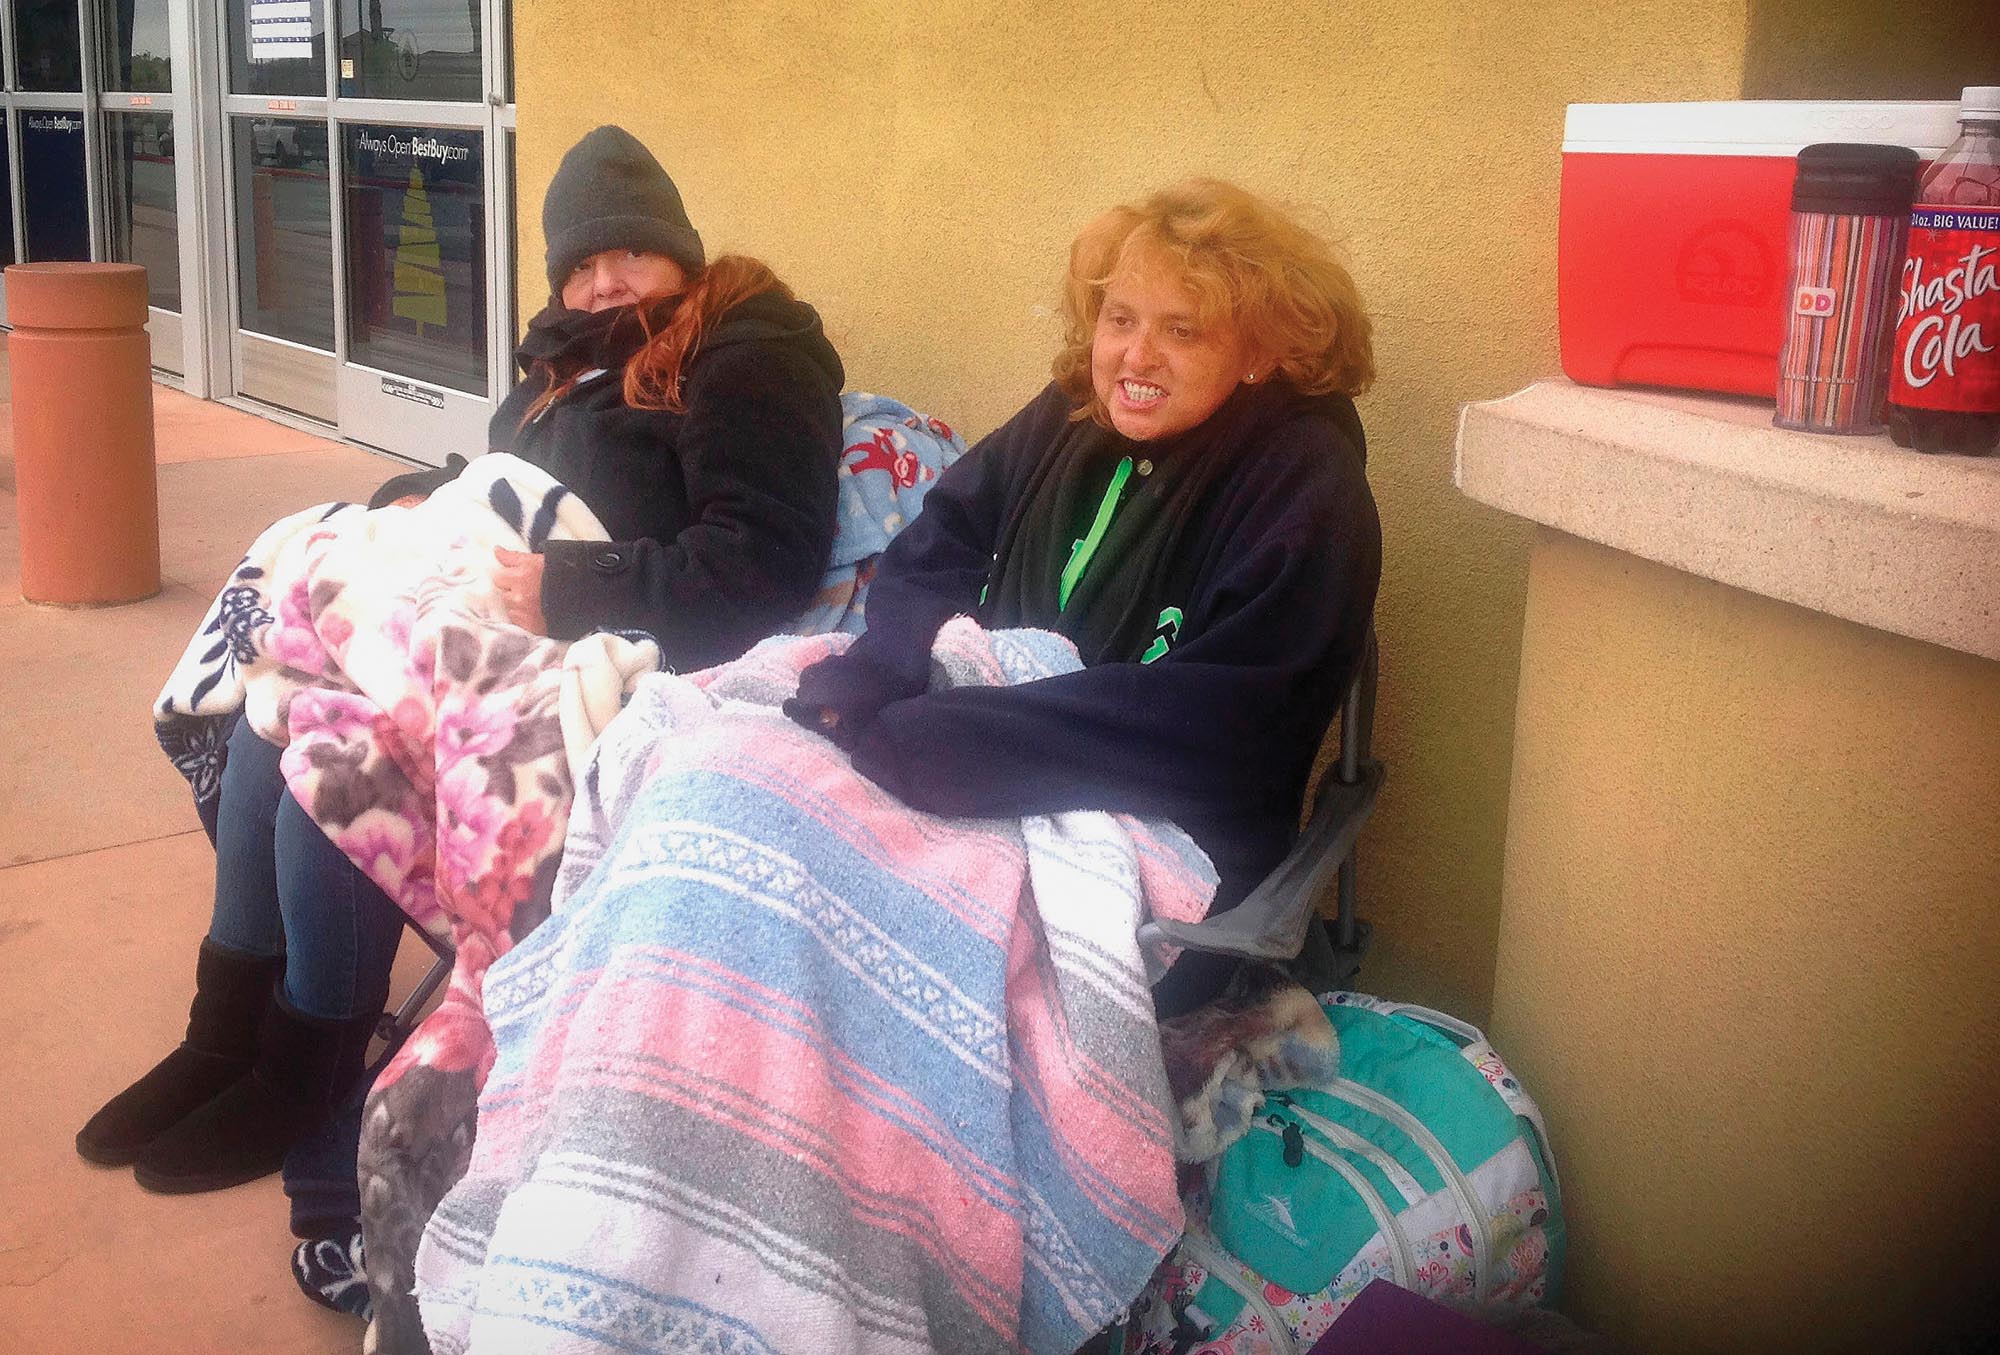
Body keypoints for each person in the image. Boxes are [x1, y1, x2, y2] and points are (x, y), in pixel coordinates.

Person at [77, 124, 845, 1197]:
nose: (604, 280)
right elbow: (498, 483)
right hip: (486, 619)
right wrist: (417, 500)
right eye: (582, 263)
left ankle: (305, 1068)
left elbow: (760, 560)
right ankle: (223, 1035)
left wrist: (569, 582)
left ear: (679, 251)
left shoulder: (742, 350)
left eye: (629, 252)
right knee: (272, 708)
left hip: (617, 656)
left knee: (337, 762)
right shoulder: (563, 364)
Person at [787, 177, 1380, 1015]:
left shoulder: (1307, 489)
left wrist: (958, 742)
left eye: (1181, 329)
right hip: (978, 767)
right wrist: (889, 660)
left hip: (1166, 858)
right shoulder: (1072, 414)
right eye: (1120, 319)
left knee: (822, 915)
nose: (1137, 356)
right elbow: (942, 538)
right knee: (742, 797)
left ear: (1259, 351)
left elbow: (1231, 733)